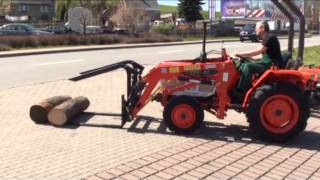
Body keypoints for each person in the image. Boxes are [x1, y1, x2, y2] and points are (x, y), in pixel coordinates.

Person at [234, 21, 282, 94]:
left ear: (262, 28)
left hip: (271, 65)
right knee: (244, 62)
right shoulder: (267, 38)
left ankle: (242, 90)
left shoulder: (270, 37)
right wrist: (245, 58)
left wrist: (241, 54)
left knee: (247, 66)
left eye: (256, 28)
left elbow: (258, 51)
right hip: (266, 63)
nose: (255, 30)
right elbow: (262, 55)